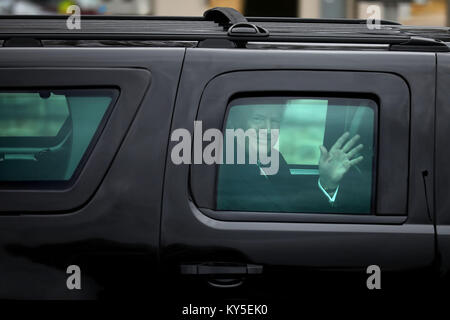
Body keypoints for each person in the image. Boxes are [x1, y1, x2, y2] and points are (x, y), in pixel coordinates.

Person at [216, 104, 367, 213]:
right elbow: (285, 213)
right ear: (233, 123)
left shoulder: (274, 158)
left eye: (275, 121)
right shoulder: (224, 168)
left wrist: (327, 182)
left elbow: (294, 204)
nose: (268, 129)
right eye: (257, 119)